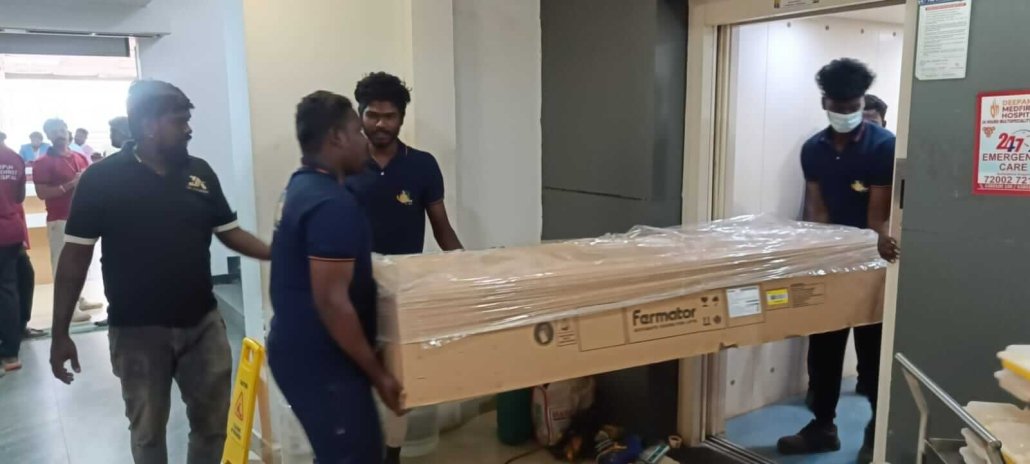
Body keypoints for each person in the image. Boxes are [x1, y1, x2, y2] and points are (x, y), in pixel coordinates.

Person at [49, 80, 271, 464]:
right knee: (148, 434)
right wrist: (60, 332)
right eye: (179, 121)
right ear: (150, 125)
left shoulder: (199, 173)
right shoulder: (102, 179)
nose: (188, 129)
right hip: (137, 332)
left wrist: (277, 253)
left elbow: (229, 232)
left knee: (213, 427)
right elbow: (74, 259)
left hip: (202, 325)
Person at [268, 90, 403, 463]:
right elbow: (332, 302)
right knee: (354, 455)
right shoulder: (331, 204)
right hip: (323, 363)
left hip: (305, 353)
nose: (365, 141)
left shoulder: (300, 186)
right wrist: (378, 374)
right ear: (337, 137)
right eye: (357, 132)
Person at [777, 58, 899, 462]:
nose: (845, 113)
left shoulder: (883, 146)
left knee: (873, 355)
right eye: (838, 106)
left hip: (873, 261)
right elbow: (817, 210)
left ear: (862, 101)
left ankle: (878, 432)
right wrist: (817, 255)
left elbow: (878, 216)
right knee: (824, 351)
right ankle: (822, 427)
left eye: (853, 106)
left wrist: (878, 245)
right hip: (831, 262)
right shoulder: (813, 149)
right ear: (825, 103)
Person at [350, 71, 463, 464]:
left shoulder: (422, 166)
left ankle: (392, 456)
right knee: (353, 381)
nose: (381, 124)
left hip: (404, 293)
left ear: (401, 118)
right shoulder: (344, 166)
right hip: (352, 292)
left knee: (399, 383)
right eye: (373, 115)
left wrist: (469, 271)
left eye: (390, 116)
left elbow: (442, 229)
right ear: (360, 115)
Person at [33, 119, 96, 323]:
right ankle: (68, 309)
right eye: (54, 131)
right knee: (62, 264)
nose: (60, 134)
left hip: (80, 217)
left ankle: (78, 299)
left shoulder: (80, 157)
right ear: (48, 136)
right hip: (59, 219)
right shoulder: (42, 162)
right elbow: (42, 193)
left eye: (62, 130)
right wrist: (72, 183)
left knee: (80, 261)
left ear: (68, 132)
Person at [0, 132, 28, 372]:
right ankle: (10, 353)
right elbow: (19, 196)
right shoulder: (15, 158)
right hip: (11, 229)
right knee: (7, 289)